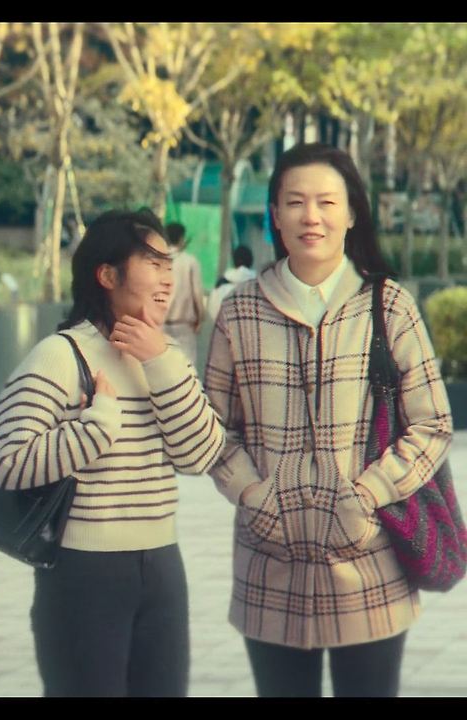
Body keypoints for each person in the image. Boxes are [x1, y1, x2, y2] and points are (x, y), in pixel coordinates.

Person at [204, 143, 452, 697]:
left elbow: (432, 423)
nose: (310, 216)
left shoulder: (389, 305)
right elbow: (216, 429)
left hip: (370, 565)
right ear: (275, 214)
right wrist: (252, 494)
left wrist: (366, 496)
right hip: (269, 565)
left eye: (326, 202)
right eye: (294, 202)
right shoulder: (240, 310)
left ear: (351, 212)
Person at [0, 209, 224, 697]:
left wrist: (160, 362)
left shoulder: (166, 356)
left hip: (162, 567)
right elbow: (7, 463)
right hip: (83, 572)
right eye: (153, 264)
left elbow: (200, 455)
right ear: (108, 275)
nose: (167, 279)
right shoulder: (59, 355)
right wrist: (94, 429)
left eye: (169, 265)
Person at [162, 222, 206, 366]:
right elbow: (197, 293)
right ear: (181, 238)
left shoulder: (159, 260)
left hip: (161, 323)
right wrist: (200, 318)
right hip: (184, 325)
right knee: (187, 366)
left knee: (165, 365)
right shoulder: (190, 262)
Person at [207, 245, 257, 321]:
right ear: (251, 262)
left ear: (234, 261)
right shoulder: (259, 287)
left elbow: (212, 314)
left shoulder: (221, 287)